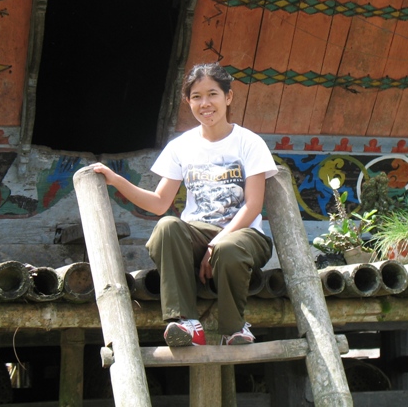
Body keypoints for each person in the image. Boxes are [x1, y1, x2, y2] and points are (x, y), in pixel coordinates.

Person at [93, 62, 277, 346]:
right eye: (196, 96)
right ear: (187, 101)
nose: (205, 103)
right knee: (167, 226)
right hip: (197, 234)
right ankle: (186, 323)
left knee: (228, 248)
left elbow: (252, 206)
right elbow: (158, 203)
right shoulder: (181, 145)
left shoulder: (249, 143)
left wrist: (216, 243)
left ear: (228, 97)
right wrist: (117, 180)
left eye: (212, 94)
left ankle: (235, 328)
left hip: (244, 237)